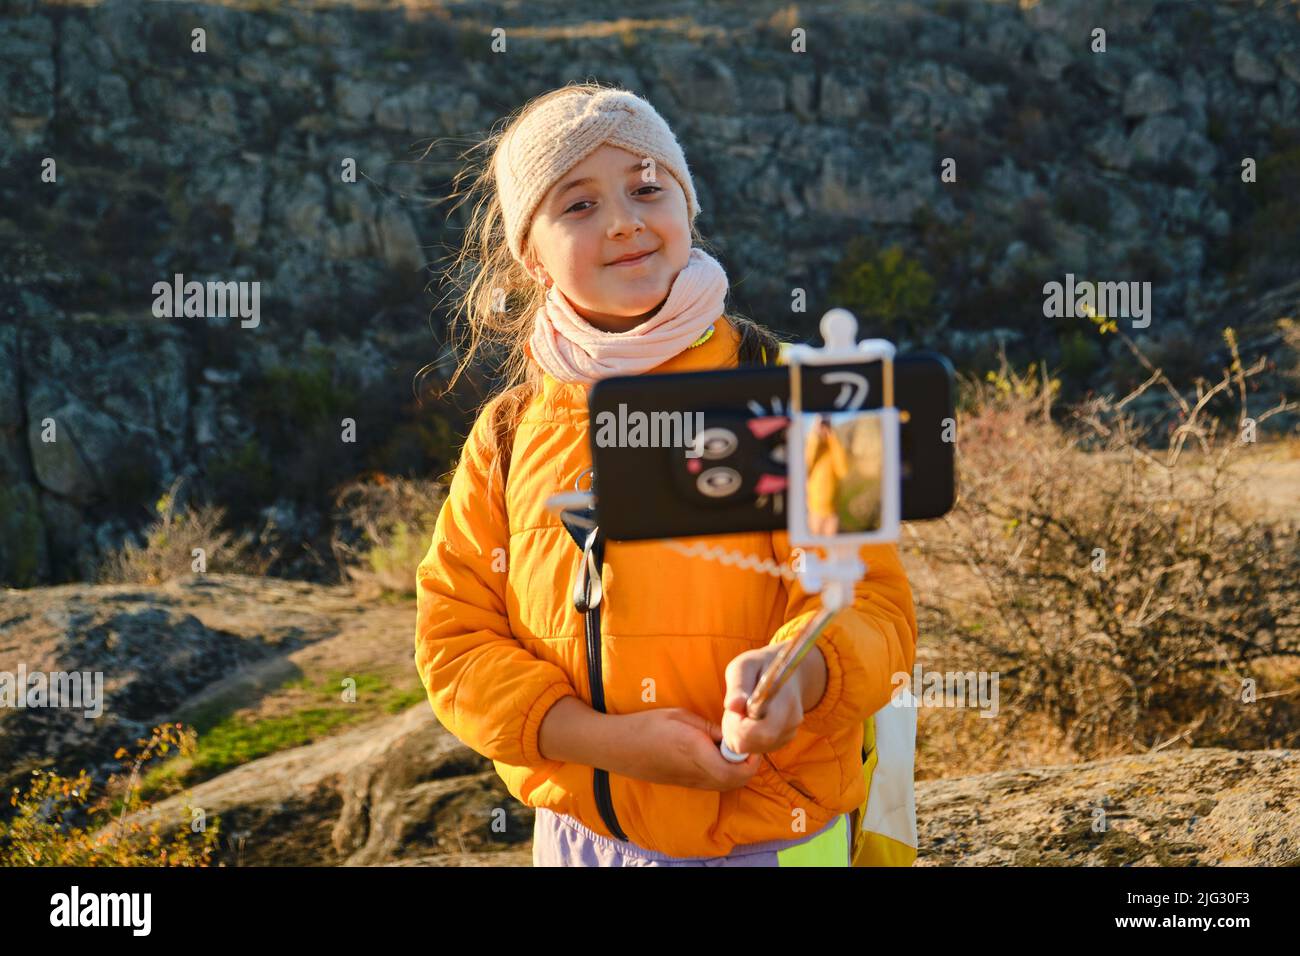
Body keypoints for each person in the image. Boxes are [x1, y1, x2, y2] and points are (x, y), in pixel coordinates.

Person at [414, 82, 918, 866]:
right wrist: (603, 741)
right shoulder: (508, 436)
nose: (623, 220)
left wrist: (800, 679)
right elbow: (454, 639)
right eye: (577, 206)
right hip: (582, 841)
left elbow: (876, 607)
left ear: (687, 208)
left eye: (648, 188)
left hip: (780, 837)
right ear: (530, 256)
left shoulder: (811, 393)